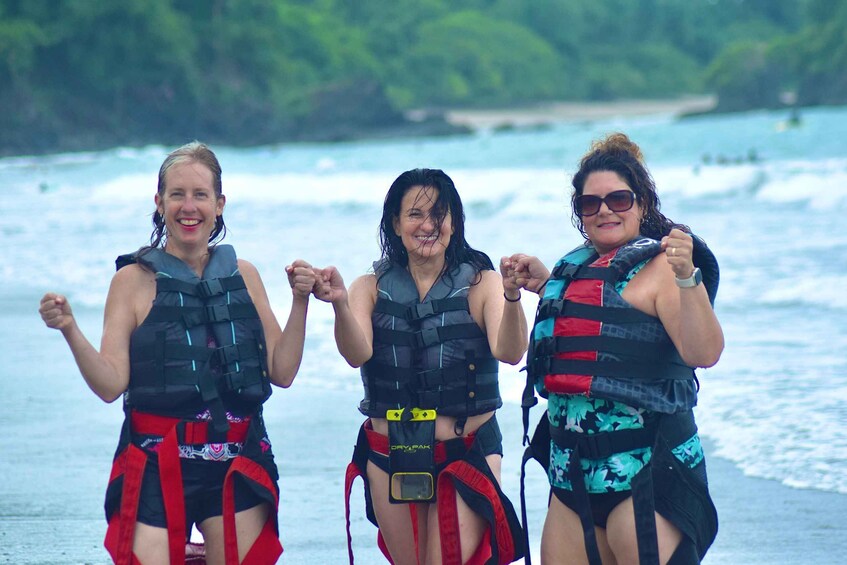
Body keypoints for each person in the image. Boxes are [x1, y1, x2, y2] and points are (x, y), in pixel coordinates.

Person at [39, 141, 316, 565]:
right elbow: (111, 384)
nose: (190, 207)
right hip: (155, 461)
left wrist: (301, 301)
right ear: (159, 202)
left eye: (201, 195)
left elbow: (282, 370)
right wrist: (69, 329)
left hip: (234, 459)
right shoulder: (132, 281)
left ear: (219, 204)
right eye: (178, 194)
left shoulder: (245, 276)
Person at [509, 133, 723, 565]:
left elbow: (704, 352)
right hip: (571, 482)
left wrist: (687, 277)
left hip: (644, 476)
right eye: (591, 204)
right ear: (580, 214)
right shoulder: (575, 268)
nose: (605, 210)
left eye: (619, 199)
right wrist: (548, 285)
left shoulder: (665, 266)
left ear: (642, 203)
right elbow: (598, 324)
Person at [313, 168, 528, 564]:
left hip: (467, 451)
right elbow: (355, 353)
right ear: (395, 223)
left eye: (439, 214)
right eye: (415, 215)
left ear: (454, 222)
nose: (428, 225)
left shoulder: (484, 284)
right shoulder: (368, 288)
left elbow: (511, 351)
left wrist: (513, 298)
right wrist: (340, 304)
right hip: (393, 452)